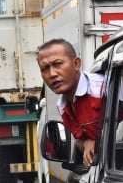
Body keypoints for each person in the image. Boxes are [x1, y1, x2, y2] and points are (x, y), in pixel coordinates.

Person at [37, 38, 105, 168]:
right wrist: (87, 143)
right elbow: (79, 139)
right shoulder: (62, 106)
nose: (52, 74)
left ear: (76, 64)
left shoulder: (101, 89)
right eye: (45, 68)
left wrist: (95, 142)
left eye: (57, 64)